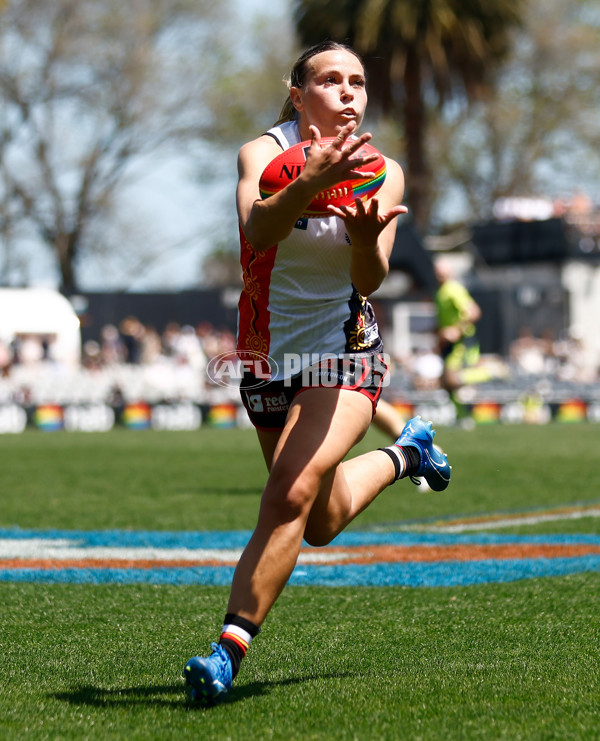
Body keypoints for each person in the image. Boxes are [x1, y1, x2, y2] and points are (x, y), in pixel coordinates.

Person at [183, 41, 451, 705]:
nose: (348, 92)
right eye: (330, 80)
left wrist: (363, 239)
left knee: (288, 492)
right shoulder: (259, 154)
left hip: (346, 351)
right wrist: (305, 183)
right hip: (267, 356)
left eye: (357, 81)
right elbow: (259, 229)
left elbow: (370, 276)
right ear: (298, 94)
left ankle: (226, 651)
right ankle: (405, 452)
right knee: (321, 517)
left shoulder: (382, 171)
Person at [434, 258, 484, 394]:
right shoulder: (441, 292)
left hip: (461, 343)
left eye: (442, 270)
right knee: (446, 383)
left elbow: (473, 312)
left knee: (451, 379)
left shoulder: (453, 288)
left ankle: (492, 373)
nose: (439, 273)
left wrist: (456, 330)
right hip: (449, 345)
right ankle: (461, 414)